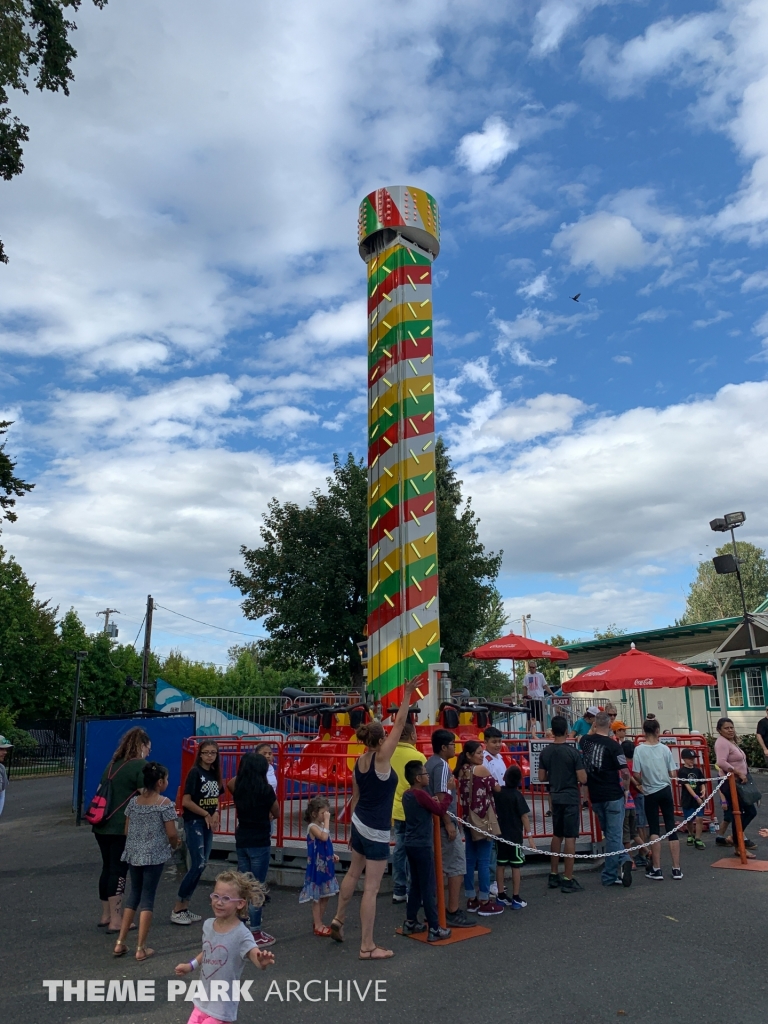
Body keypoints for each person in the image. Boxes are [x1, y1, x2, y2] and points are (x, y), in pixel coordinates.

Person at [330, 675, 420, 960]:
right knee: (371, 888)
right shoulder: (382, 759)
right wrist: (406, 695)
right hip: (377, 828)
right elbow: (401, 723)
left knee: (353, 872)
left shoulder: (360, 761)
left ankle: (339, 918)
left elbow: (355, 797)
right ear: (381, 740)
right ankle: (367, 945)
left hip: (358, 823)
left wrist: (348, 831)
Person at [174, 870, 274, 1024]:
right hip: (202, 1001)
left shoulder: (242, 934)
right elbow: (208, 951)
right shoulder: (208, 925)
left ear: (240, 903)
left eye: (226, 898)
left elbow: (255, 955)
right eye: (216, 896)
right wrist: (190, 966)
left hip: (221, 1009)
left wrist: (261, 961)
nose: (219, 902)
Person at [113, 761, 180, 961]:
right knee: (148, 898)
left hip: (134, 854)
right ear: (160, 782)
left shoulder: (134, 802)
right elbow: (171, 833)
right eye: (166, 779)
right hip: (154, 855)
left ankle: (120, 942)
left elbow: (126, 830)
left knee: (134, 894)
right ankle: (141, 947)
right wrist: (176, 844)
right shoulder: (164, 804)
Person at [92, 726, 150, 932]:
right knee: (119, 871)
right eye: (148, 748)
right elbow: (146, 794)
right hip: (121, 826)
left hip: (101, 824)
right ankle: (117, 921)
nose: (149, 752)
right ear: (142, 746)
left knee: (107, 868)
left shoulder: (112, 764)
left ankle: (106, 915)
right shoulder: (140, 765)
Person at [228, 753, 278, 947]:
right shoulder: (265, 790)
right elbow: (277, 812)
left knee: (243, 884)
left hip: (242, 839)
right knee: (257, 886)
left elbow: (231, 782)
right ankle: (255, 931)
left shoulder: (238, 786)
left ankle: (239, 925)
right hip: (260, 840)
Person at [172, 740, 223, 926]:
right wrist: (204, 814)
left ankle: (185, 906)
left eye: (213, 753)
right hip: (195, 821)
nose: (210, 756)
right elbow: (186, 801)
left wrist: (215, 811)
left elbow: (216, 796)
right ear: (200, 754)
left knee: (202, 864)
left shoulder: (214, 774)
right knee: (198, 863)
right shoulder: (195, 773)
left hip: (207, 822)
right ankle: (178, 906)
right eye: (206, 752)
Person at [425, 729, 472, 929]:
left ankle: (436, 908)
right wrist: (448, 823)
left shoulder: (429, 763)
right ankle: (452, 910)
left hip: (432, 823)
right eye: (452, 744)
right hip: (445, 822)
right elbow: (441, 796)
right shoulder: (443, 765)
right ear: (444, 747)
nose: (455, 747)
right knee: (456, 865)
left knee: (439, 867)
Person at [580, 711, 633, 888]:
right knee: (614, 835)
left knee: (609, 834)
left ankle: (620, 863)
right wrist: (625, 789)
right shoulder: (614, 746)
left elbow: (584, 739)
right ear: (610, 725)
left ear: (594, 725)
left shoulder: (586, 742)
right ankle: (614, 870)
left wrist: (593, 728)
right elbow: (625, 771)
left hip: (596, 795)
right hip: (613, 793)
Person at [401, 760, 452, 942]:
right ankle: (435, 927)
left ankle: (410, 921)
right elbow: (439, 810)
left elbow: (429, 806)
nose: (427, 776)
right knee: (428, 886)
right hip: (422, 845)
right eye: (424, 774)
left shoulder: (408, 795)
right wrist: (448, 793)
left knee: (416, 884)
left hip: (410, 843)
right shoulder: (420, 794)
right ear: (417, 778)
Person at [455, 739, 503, 916]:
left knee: (469, 858)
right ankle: (484, 899)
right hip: (483, 819)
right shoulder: (480, 770)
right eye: (478, 753)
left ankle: (471, 898)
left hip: (468, 818)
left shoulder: (463, 770)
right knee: (483, 860)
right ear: (469, 755)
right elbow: (496, 788)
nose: (481, 756)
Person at [539, 715, 587, 892]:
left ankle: (553, 874)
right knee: (570, 837)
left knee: (556, 834)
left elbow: (542, 777)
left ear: (552, 731)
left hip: (555, 796)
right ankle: (568, 877)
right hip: (570, 796)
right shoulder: (572, 752)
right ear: (567, 731)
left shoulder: (546, 752)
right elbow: (582, 777)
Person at [631, 719, 682, 880]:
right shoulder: (665, 749)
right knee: (671, 827)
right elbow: (673, 773)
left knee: (654, 829)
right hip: (665, 789)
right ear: (658, 730)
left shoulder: (639, 750)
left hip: (649, 791)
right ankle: (676, 868)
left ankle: (657, 868)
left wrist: (642, 781)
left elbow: (636, 774)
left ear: (644, 731)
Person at [389, 721, 426, 904]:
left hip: (396, 808)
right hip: (414, 809)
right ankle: (413, 890)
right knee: (415, 851)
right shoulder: (418, 756)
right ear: (412, 735)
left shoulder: (389, 754)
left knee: (399, 849)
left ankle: (399, 888)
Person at [714, 717, 758, 856]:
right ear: (719, 730)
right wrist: (738, 772)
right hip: (731, 783)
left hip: (740, 783)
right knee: (741, 813)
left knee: (748, 812)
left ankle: (735, 839)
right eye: (726, 728)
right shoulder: (721, 743)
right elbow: (721, 762)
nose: (730, 730)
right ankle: (738, 846)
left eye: (731, 727)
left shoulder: (730, 741)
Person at [299, 796, 339, 936]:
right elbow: (323, 837)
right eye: (323, 813)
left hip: (325, 864)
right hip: (317, 867)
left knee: (325, 895)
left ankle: (319, 921)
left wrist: (331, 855)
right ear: (314, 814)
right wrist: (327, 821)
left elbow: (326, 842)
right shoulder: (313, 827)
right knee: (317, 897)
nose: (326, 815)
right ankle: (318, 924)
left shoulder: (322, 826)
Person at [494, 764, 530, 909]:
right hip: (515, 836)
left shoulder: (498, 793)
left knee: (500, 864)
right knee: (516, 866)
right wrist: (530, 836)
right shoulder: (518, 796)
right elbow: (524, 816)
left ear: (504, 777)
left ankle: (501, 894)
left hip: (500, 834)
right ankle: (516, 897)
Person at [482, 726, 507, 894]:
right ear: (486, 742)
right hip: (491, 802)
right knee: (490, 844)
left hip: (501, 801)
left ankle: (496, 879)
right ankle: (490, 881)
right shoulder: (484, 760)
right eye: (494, 742)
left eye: (499, 741)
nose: (497, 745)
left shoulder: (499, 757)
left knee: (498, 842)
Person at [621, 739, 650, 867]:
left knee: (632, 829)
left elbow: (630, 781)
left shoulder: (626, 766)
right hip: (639, 796)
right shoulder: (637, 763)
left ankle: (638, 856)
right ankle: (643, 853)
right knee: (640, 826)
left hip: (632, 797)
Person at [678, 749, 706, 849]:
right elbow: (686, 786)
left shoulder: (697, 770)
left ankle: (698, 839)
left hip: (698, 797)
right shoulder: (682, 771)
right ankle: (690, 834)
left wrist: (703, 790)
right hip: (688, 798)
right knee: (689, 819)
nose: (692, 761)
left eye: (693, 759)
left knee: (699, 818)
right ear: (684, 759)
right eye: (689, 759)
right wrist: (696, 797)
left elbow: (702, 781)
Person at [522, 660, 554, 735]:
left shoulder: (540, 675)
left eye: (533, 667)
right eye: (530, 667)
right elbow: (524, 688)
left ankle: (543, 734)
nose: (532, 669)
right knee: (529, 719)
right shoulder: (527, 676)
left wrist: (553, 694)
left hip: (539, 699)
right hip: (530, 700)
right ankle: (527, 735)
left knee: (542, 719)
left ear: (536, 667)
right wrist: (524, 698)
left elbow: (545, 686)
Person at [0, 736, 11, 817]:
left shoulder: (1, 769)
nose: (5, 752)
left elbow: (2, 795)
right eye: (1, 749)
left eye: (5, 749)